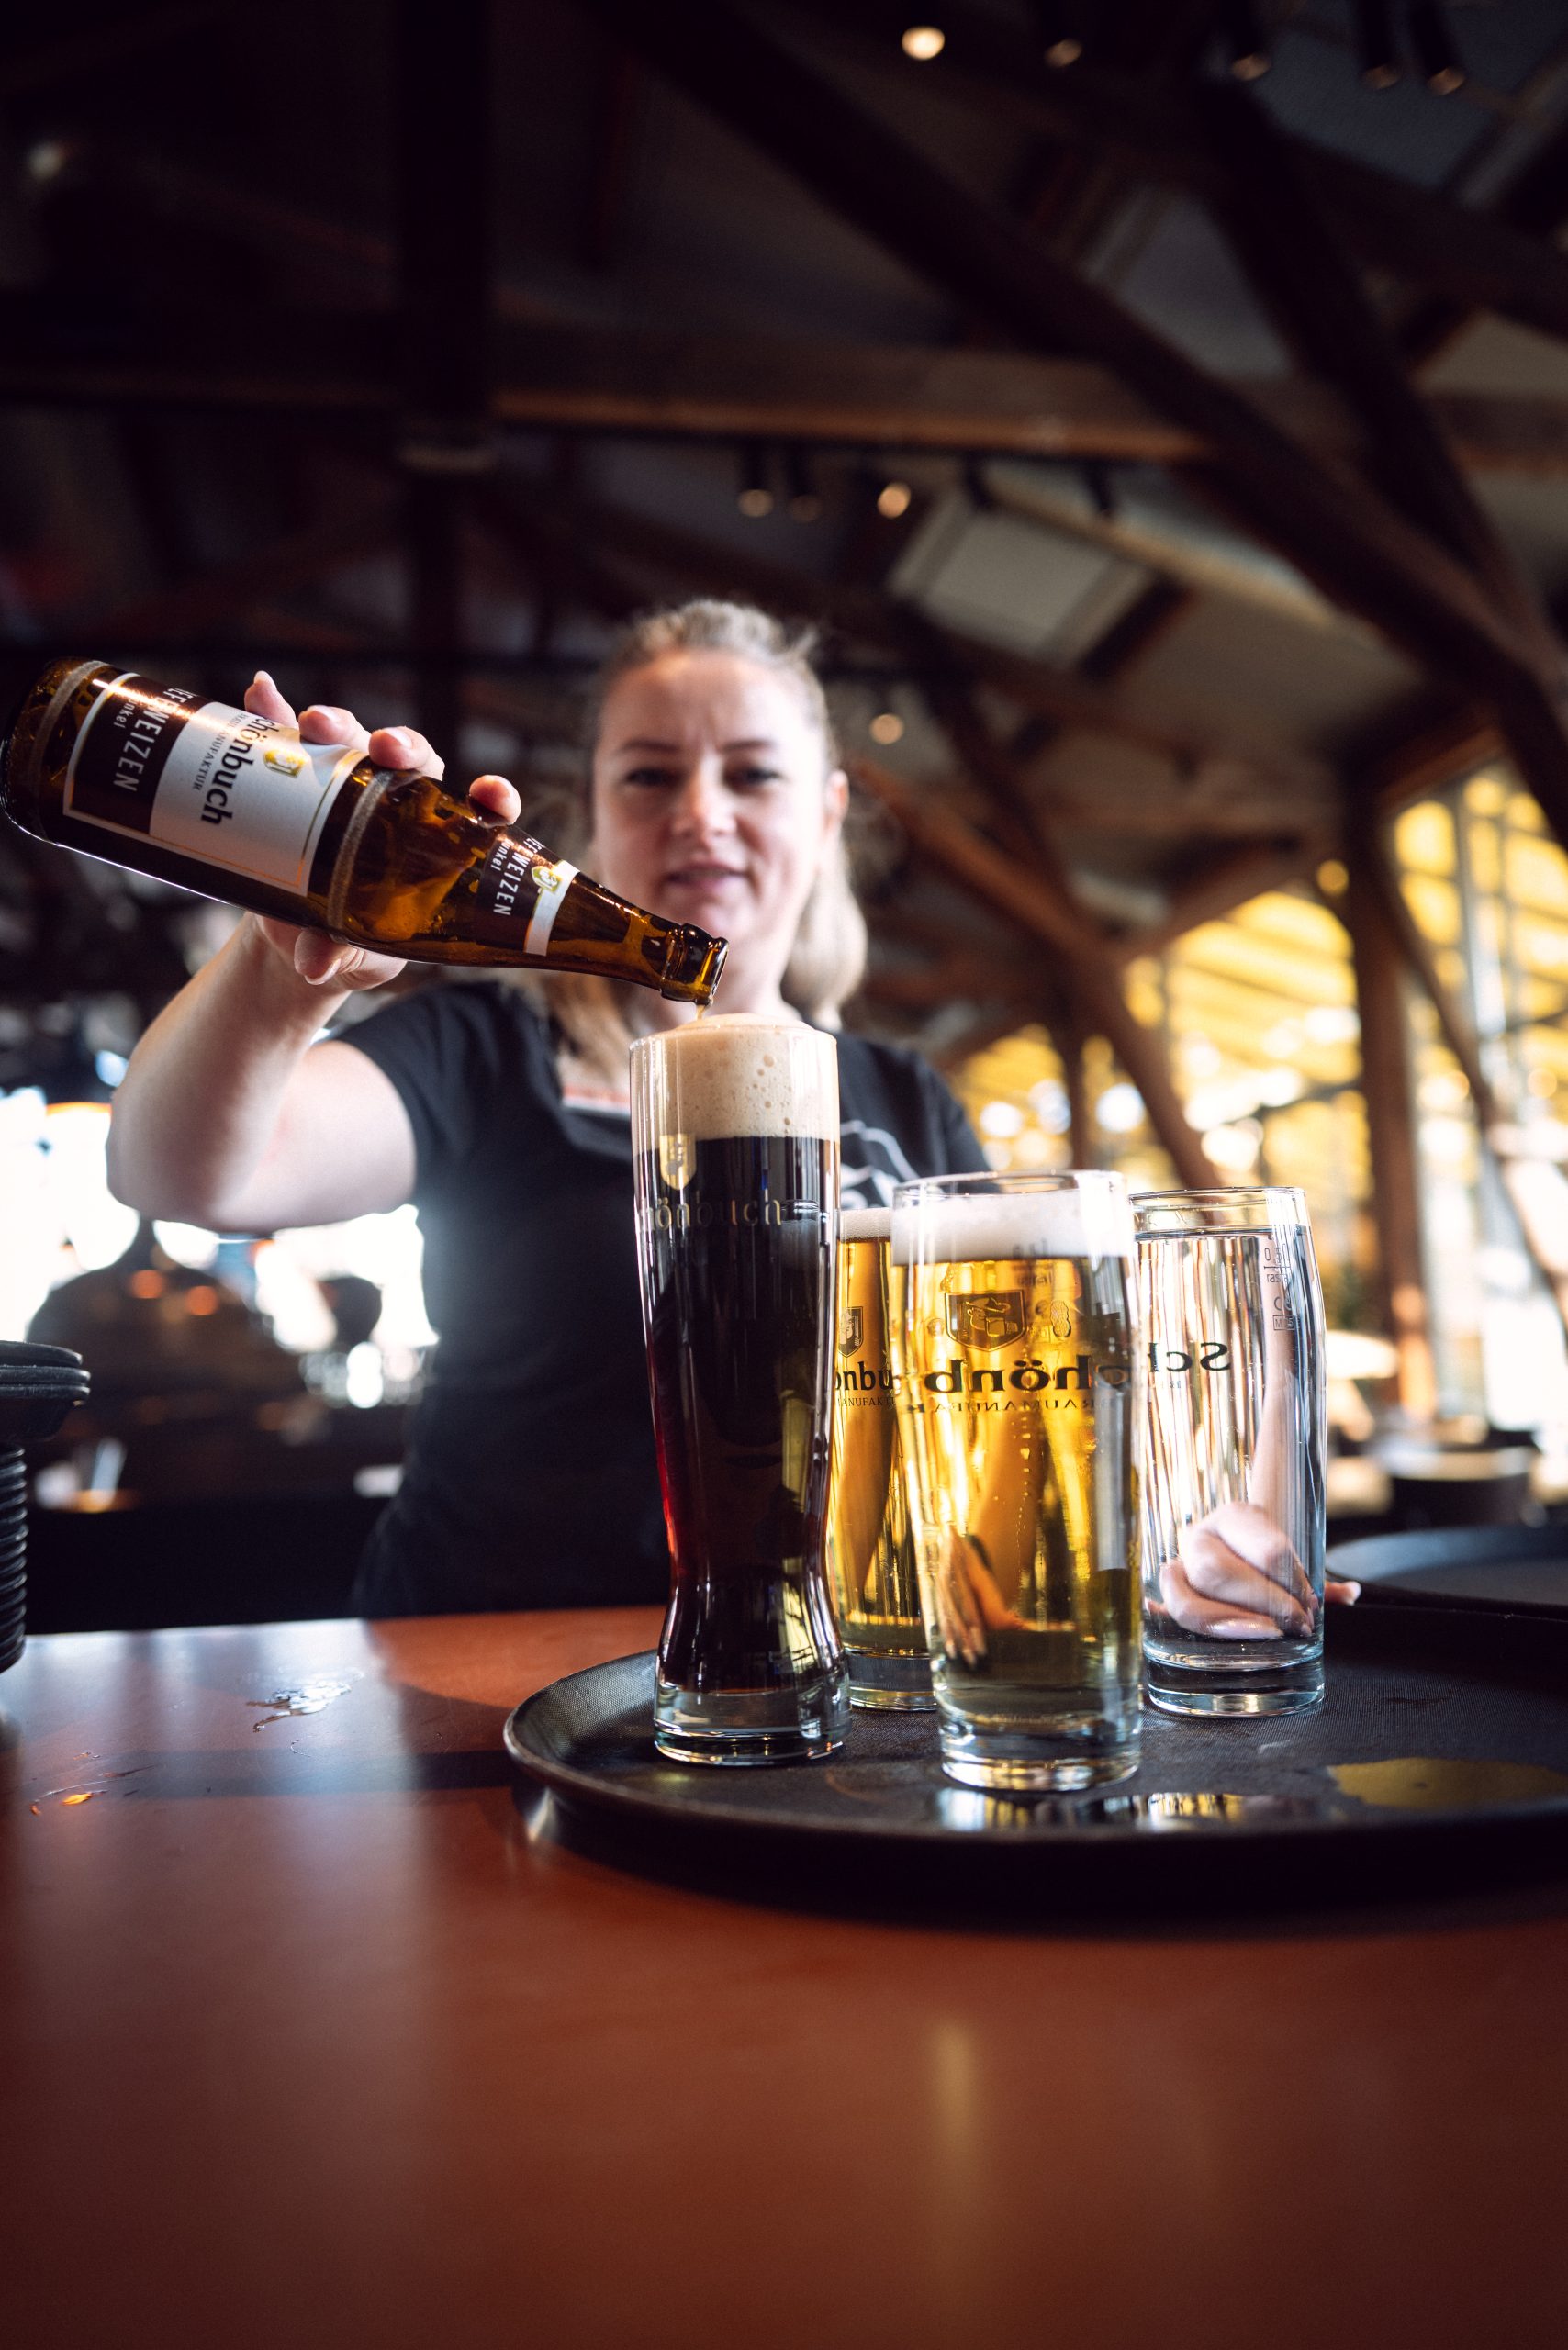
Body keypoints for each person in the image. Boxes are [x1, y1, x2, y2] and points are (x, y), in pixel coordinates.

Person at [107, 597, 1349, 1628]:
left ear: (823, 816)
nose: (701, 813)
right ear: (594, 816)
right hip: (490, 1678)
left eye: (752, 774)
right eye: (651, 776)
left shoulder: (901, 1096)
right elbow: (187, 1173)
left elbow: (1018, 1400)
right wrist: (282, 976)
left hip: (842, 1678)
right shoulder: (489, 1047)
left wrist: (1191, 1544)